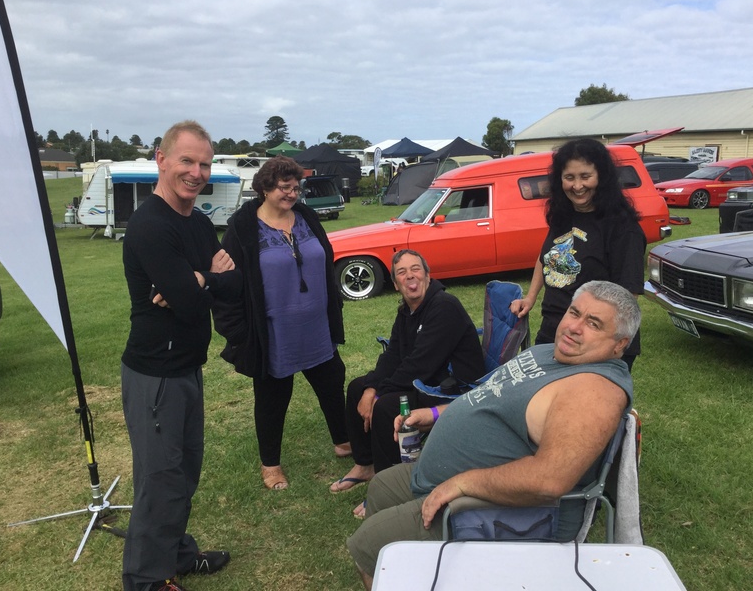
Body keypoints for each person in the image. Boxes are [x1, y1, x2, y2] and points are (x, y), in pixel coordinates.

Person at [346, 280, 640, 589]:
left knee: (369, 547)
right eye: (574, 313)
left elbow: (550, 480)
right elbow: (491, 395)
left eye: (593, 324)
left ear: (619, 344)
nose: (574, 327)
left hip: (499, 509)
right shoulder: (550, 353)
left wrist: (461, 483)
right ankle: (415, 573)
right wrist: (433, 414)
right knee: (381, 486)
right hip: (449, 478)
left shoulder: (594, 392)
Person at [121, 121, 241, 591]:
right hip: (156, 374)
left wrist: (199, 279)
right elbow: (194, 300)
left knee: (184, 470)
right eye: (187, 161)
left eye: (205, 164)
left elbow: (232, 283)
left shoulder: (196, 222)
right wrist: (204, 280)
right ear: (161, 159)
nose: (196, 172)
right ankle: (146, 580)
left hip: (187, 366)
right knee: (160, 479)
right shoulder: (150, 226)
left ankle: (176, 554)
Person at [212, 156, 349, 491]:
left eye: (295, 187)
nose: (292, 194)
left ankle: (344, 441)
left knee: (332, 384)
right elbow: (226, 286)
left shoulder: (305, 216)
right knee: (273, 399)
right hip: (274, 334)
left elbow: (324, 259)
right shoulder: (243, 228)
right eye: (284, 188)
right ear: (264, 188)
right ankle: (270, 465)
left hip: (316, 326)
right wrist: (239, 333)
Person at [330, 250, 485, 519]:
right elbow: (394, 355)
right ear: (396, 284)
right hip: (427, 379)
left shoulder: (444, 306)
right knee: (357, 387)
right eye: (402, 272)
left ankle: (388, 488)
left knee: (387, 406)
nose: (410, 275)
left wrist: (380, 395)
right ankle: (365, 465)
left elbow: (419, 364)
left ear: (427, 275)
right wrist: (370, 389)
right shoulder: (408, 309)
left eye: (416, 269)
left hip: (452, 389)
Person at [510, 138, 646, 370]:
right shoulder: (564, 215)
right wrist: (530, 298)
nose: (577, 186)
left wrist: (597, 346)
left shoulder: (623, 228)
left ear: (601, 177)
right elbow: (545, 258)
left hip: (593, 342)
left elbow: (628, 297)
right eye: (569, 177)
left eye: (585, 176)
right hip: (553, 330)